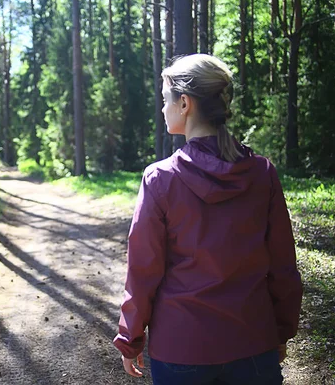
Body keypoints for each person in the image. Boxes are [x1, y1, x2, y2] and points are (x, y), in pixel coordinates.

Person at [113, 54, 303, 385]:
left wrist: (130, 338)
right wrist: (282, 330)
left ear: (184, 103)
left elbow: (143, 271)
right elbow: (283, 264)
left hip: (181, 349)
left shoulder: (160, 179)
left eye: (164, 100)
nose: (162, 109)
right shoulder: (262, 173)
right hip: (254, 343)